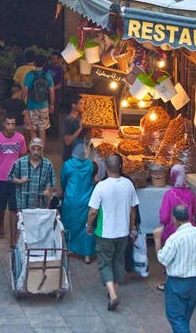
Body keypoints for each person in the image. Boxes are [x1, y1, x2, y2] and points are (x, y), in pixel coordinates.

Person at [86, 154, 139, 311]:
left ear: (105, 168)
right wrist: (131, 227)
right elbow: (133, 209)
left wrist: (89, 225)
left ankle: (113, 295)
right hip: (122, 232)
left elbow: (93, 211)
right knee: (118, 261)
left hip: (105, 233)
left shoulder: (101, 186)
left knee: (104, 263)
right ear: (121, 167)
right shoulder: (128, 184)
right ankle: (113, 293)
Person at [158, 205, 196, 333]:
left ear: (174, 219)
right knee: (185, 317)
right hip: (195, 282)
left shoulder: (175, 238)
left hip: (178, 283)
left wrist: (156, 240)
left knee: (176, 317)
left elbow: (162, 259)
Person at [154, 165, 196, 291]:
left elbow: (163, 217)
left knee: (171, 257)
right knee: (189, 256)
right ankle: (189, 284)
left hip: (172, 231)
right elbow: (194, 211)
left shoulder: (169, 194)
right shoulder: (191, 193)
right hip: (190, 229)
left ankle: (171, 283)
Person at [0, 114, 27, 243]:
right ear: (3, 124)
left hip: (15, 179)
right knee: (1, 207)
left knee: (14, 208)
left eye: (13, 124)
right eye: (8, 124)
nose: (10, 127)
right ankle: (1, 226)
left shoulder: (20, 139)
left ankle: (13, 236)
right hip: (0, 178)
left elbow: (23, 157)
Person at [60, 142, 96, 264]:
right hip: (87, 200)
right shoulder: (90, 164)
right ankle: (87, 255)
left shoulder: (68, 165)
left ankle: (69, 249)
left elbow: (63, 181)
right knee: (86, 226)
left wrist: (63, 190)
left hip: (71, 200)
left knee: (69, 224)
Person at [8, 138, 56, 211]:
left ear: (42, 149)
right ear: (29, 148)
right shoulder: (20, 162)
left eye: (38, 149)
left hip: (41, 205)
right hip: (23, 204)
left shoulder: (48, 164)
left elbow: (50, 182)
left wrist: (47, 190)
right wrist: (19, 180)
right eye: (33, 149)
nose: (35, 152)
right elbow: (10, 177)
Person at [22, 54, 55, 147]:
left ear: (34, 63)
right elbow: (52, 92)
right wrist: (52, 104)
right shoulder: (48, 75)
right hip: (44, 105)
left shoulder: (30, 75)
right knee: (42, 128)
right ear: (44, 64)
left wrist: (21, 103)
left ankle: (33, 149)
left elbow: (25, 91)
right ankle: (42, 150)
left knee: (31, 128)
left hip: (31, 105)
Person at [44, 52, 64, 138]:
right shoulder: (47, 67)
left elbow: (60, 84)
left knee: (54, 115)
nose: (53, 60)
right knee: (46, 114)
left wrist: (51, 89)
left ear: (59, 59)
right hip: (46, 95)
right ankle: (48, 132)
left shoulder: (60, 70)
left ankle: (55, 134)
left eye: (55, 59)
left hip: (56, 96)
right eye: (52, 59)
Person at [63, 94, 87, 162]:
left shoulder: (81, 117)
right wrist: (79, 129)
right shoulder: (68, 120)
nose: (83, 106)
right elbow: (67, 142)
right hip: (71, 157)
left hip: (79, 153)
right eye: (80, 104)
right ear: (73, 105)